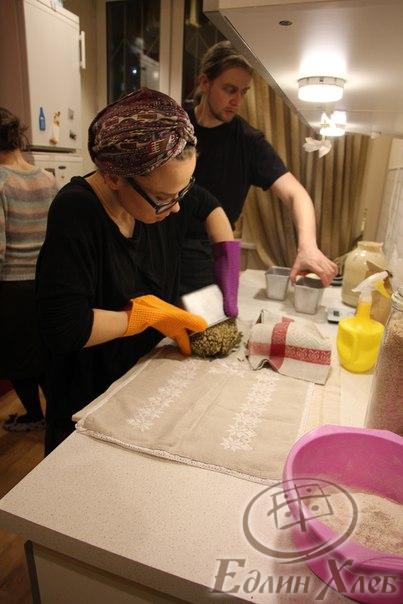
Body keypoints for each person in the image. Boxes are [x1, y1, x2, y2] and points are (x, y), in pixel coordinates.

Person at [35, 88, 238, 454]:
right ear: (114, 177)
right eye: (164, 198)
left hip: (138, 380)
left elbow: (209, 207)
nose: (176, 208)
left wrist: (229, 267)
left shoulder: (162, 191)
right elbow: (64, 328)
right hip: (88, 399)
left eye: (183, 190)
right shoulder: (76, 211)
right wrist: (143, 316)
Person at [180, 41, 337, 294]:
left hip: (210, 258)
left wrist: (308, 246)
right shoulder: (176, 127)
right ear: (205, 82)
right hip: (158, 250)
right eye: (229, 89)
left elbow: (296, 194)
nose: (237, 100)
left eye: (243, 92)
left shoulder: (249, 142)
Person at [0, 108, 58, 431]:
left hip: (12, 285)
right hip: (46, 282)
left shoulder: (1, 181)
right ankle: (58, 414)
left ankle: (34, 416)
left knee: (17, 359)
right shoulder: (48, 178)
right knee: (43, 354)